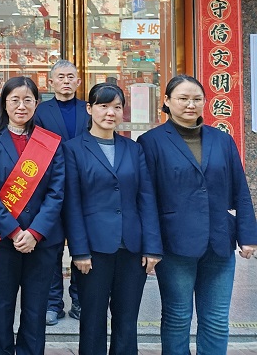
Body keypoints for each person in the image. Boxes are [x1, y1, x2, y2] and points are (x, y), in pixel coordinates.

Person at [138, 74, 257, 355]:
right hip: (174, 244)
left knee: (216, 319)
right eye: (183, 98)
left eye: (196, 99)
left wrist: (248, 236)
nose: (190, 104)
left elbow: (240, 188)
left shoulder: (222, 140)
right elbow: (146, 199)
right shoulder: (151, 141)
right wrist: (151, 246)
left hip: (219, 241)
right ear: (167, 101)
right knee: (177, 317)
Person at [63, 82, 162, 355]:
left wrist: (152, 247)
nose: (110, 112)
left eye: (117, 107)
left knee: (127, 321)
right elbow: (72, 204)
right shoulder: (72, 149)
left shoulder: (133, 148)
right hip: (93, 249)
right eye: (103, 106)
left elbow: (146, 198)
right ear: (89, 109)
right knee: (92, 320)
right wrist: (79, 250)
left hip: (132, 247)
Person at [0, 76, 65, 355]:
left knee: (36, 308)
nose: (21, 106)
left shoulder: (50, 142)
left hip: (42, 241)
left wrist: (35, 232)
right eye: (15, 100)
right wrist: (14, 231)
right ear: (4, 103)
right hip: (3, 240)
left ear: (37, 103)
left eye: (28, 100)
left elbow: (57, 192)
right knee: (1, 306)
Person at [33, 59, 88, 325]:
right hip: (51, 186)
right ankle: (52, 303)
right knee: (50, 247)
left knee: (82, 244)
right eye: (61, 77)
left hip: (84, 185)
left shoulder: (89, 109)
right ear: (51, 82)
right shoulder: (40, 111)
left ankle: (79, 299)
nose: (66, 81)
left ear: (78, 81)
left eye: (70, 77)